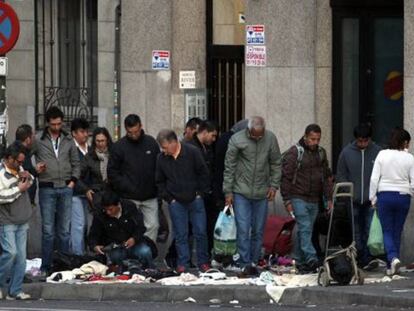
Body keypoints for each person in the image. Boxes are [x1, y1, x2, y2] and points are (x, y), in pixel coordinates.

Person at [223, 116, 281, 274]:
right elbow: (229, 167)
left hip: (262, 191)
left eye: (260, 135)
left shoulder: (270, 138)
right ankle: (244, 261)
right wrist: (228, 191)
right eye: (255, 135)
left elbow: (276, 162)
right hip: (241, 191)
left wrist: (274, 186)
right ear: (248, 130)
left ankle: (254, 260)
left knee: (258, 229)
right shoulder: (236, 139)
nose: (258, 138)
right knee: (243, 228)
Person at [156, 129, 210, 273]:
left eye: (165, 147)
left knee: (200, 231)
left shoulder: (192, 152)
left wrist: (200, 193)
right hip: (176, 202)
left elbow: (203, 173)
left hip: (195, 200)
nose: (164, 151)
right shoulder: (161, 158)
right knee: (180, 234)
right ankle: (183, 264)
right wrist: (169, 199)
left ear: (173, 142)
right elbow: (159, 182)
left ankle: (203, 262)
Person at [34, 107, 80, 275]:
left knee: (64, 230)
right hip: (47, 186)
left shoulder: (68, 138)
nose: (56, 127)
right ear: (47, 123)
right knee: (48, 230)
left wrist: (73, 181)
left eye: (59, 124)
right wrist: (34, 169)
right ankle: (46, 266)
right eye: (53, 124)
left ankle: (64, 264)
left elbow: (76, 162)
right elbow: (25, 156)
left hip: (66, 186)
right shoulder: (38, 139)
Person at [281, 124, 333, 273]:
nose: (315, 142)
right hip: (298, 196)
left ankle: (298, 259)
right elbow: (285, 177)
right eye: (312, 139)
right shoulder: (295, 152)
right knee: (304, 227)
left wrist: (328, 198)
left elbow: (326, 177)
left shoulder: (321, 153)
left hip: (314, 198)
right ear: (305, 137)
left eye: (318, 139)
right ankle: (312, 258)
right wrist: (287, 200)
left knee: (306, 230)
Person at [108, 114, 160, 243]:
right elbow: (112, 172)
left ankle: (148, 254)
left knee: (153, 226)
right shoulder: (119, 147)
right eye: (130, 132)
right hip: (129, 197)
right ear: (126, 130)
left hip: (150, 195)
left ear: (141, 127)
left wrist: (158, 187)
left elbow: (159, 167)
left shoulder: (151, 143)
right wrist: (126, 186)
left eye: (136, 131)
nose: (133, 135)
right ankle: (132, 257)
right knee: (130, 227)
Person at [369, 127, 414, 276]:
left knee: (387, 230)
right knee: (397, 230)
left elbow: (374, 178)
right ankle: (391, 266)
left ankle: (393, 258)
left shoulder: (382, 154)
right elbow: (413, 182)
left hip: (385, 195)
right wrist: (409, 193)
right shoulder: (410, 158)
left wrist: (372, 197)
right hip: (403, 196)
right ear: (405, 142)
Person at [336, 124, 381, 269]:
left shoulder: (377, 152)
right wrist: (345, 194)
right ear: (356, 139)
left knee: (369, 229)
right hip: (352, 199)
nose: (363, 144)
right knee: (355, 230)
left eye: (365, 141)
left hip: (370, 199)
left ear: (370, 139)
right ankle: (359, 257)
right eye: (360, 141)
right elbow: (341, 174)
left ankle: (368, 258)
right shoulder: (346, 152)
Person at [88, 190, 156, 268]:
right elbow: (94, 233)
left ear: (118, 205)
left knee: (145, 251)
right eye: (105, 210)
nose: (108, 213)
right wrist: (94, 246)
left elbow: (140, 227)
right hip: (115, 246)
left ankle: (149, 269)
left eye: (111, 209)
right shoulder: (100, 214)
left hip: (134, 243)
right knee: (115, 257)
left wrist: (134, 239)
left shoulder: (130, 207)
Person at [0, 143, 33, 300]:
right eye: (18, 162)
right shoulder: (1, 173)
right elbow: (1, 197)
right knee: (11, 253)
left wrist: (27, 177)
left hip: (22, 219)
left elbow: (29, 182)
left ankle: (15, 290)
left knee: (21, 257)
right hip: (7, 221)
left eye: (22, 162)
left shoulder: (19, 170)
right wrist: (18, 189)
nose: (21, 165)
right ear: (9, 158)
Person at [187, 120, 218, 254]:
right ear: (204, 132)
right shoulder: (190, 147)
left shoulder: (207, 147)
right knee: (190, 229)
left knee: (204, 228)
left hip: (206, 193)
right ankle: (177, 257)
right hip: (195, 193)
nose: (214, 139)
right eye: (212, 135)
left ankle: (204, 256)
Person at [77, 127, 113, 209]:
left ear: (107, 140)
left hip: (113, 194)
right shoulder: (89, 157)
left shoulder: (114, 154)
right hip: (97, 195)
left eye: (103, 141)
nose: (100, 144)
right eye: (98, 141)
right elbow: (77, 176)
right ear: (94, 141)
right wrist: (86, 190)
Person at [70, 118, 91, 255]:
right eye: (81, 132)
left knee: (88, 226)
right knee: (78, 224)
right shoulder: (71, 149)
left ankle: (86, 253)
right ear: (74, 133)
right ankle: (78, 256)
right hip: (76, 192)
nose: (85, 134)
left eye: (86, 131)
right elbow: (72, 173)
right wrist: (84, 189)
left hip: (91, 193)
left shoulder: (91, 148)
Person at [15, 124, 46, 204]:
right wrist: (35, 170)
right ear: (28, 139)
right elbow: (23, 174)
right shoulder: (20, 154)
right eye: (33, 136)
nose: (34, 139)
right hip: (23, 200)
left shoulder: (24, 150)